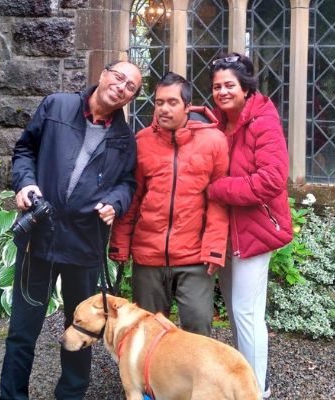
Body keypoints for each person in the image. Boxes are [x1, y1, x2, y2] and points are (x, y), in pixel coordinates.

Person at [0, 61, 142, 400]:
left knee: (81, 328)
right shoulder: (56, 106)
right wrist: (25, 183)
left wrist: (115, 203)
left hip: (84, 243)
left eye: (131, 87)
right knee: (22, 330)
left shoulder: (124, 138)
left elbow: (127, 183)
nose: (121, 87)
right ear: (103, 74)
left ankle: (71, 395)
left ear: (130, 98)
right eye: (119, 77)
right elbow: (25, 150)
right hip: (40, 238)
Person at [109, 72, 229, 336]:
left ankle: (192, 367)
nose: (164, 108)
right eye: (159, 102)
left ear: (187, 106)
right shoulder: (142, 141)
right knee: (147, 331)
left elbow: (218, 201)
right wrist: (120, 243)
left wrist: (214, 248)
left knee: (197, 329)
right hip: (148, 255)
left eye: (172, 102)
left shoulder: (214, 141)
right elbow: (133, 196)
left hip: (194, 257)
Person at [206, 53, 293, 398]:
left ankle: (256, 389)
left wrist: (217, 189)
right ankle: (243, 380)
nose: (222, 92)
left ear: (245, 88)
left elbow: (272, 180)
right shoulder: (217, 122)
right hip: (226, 231)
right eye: (217, 86)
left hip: (255, 231)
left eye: (229, 85)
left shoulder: (263, 122)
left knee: (246, 312)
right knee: (235, 310)